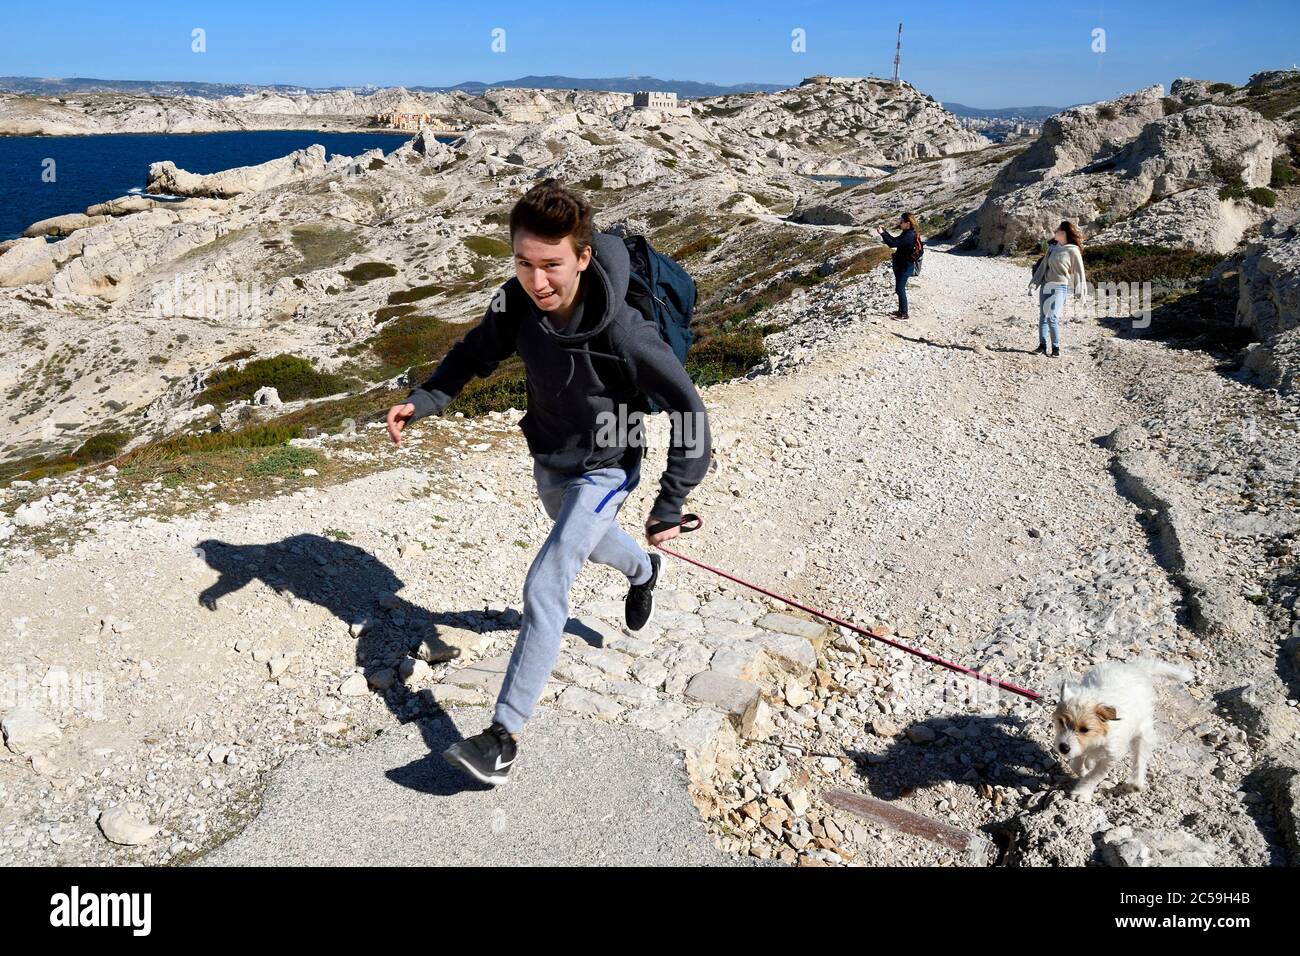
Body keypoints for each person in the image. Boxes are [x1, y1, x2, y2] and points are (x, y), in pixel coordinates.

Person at [385, 179, 711, 786]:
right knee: (583, 537)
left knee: (547, 579)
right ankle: (642, 571)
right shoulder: (516, 302)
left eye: (552, 266)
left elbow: (689, 410)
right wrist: (424, 400)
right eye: (524, 263)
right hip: (552, 456)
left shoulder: (624, 331)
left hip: (609, 461)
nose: (538, 282)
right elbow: (473, 352)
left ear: (583, 257)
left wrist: (671, 502)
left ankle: (502, 737)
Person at [1028, 221, 1087, 358]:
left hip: (1060, 287)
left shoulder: (1073, 250)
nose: (1054, 232)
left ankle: (1056, 348)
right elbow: (1043, 267)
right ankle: (1042, 346)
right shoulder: (1052, 248)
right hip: (1046, 285)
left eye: (1057, 230)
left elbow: (1079, 272)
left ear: (1064, 233)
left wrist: (1081, 293)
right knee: (1043, 317)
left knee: (1052, 316)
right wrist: (1033, 285)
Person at [878, 212, 923, 320]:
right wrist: (885, 232)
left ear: (907, 223)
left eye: (901, 221)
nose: (900, 223)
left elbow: (891, 244)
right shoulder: (907, 233)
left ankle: (904, 314)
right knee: (899, 289)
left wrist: (882, 234)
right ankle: (901, 311)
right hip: (901, 264)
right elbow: (894, 240)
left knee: (900, 289)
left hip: (905, 266)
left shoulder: (908, 235)